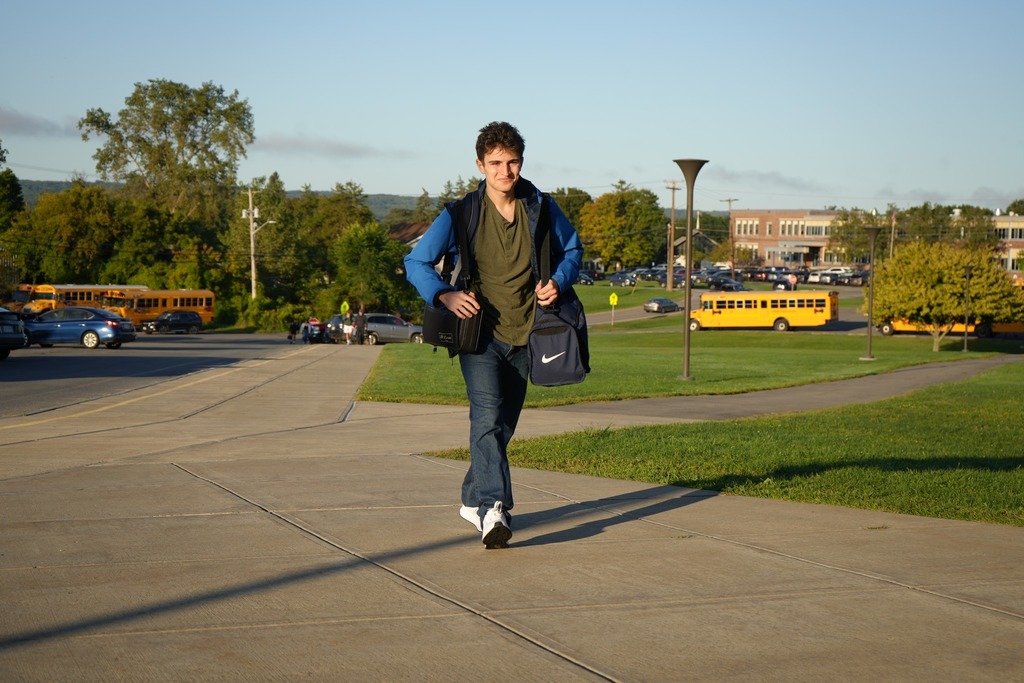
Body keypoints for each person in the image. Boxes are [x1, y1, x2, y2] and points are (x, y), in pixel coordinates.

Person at [404, 121, 583, 548]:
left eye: (513, 162)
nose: (506, 171)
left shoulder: (541, 207)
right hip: (479, 336)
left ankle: (471, 499)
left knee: (501, 427)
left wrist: (558, 279)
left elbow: (573, 250)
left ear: (522, 162)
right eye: (496, 163)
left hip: (530, 335)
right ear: (480, 165)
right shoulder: (460, 213)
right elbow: (416, 263)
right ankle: (494, 509)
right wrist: (444, 295)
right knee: (485, 417)